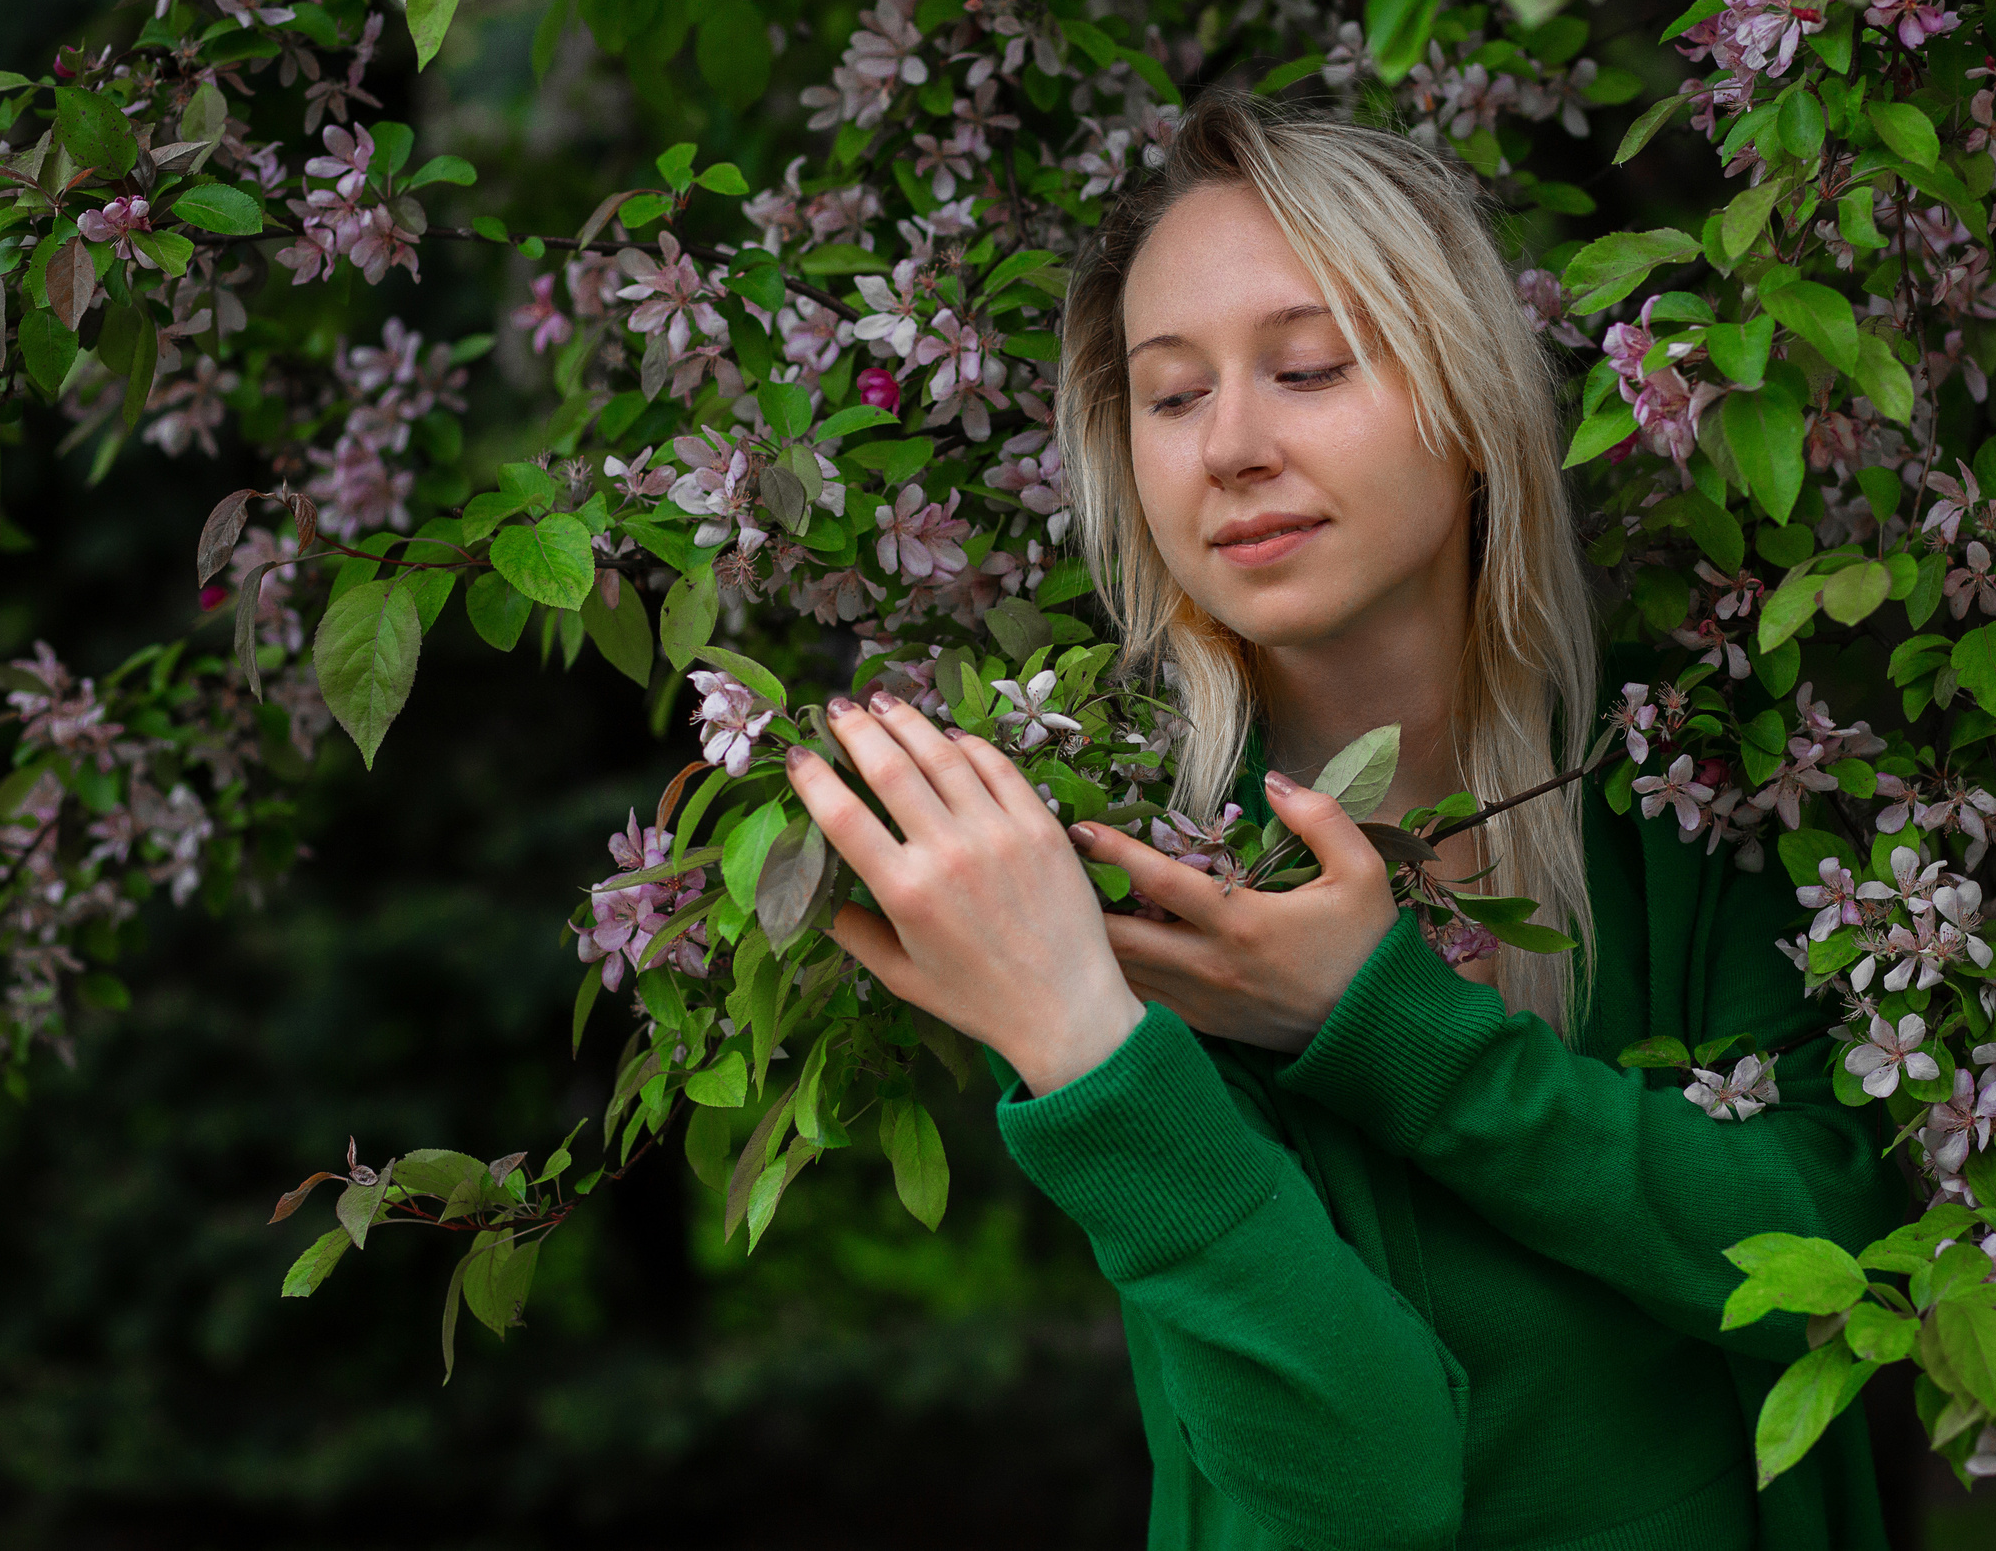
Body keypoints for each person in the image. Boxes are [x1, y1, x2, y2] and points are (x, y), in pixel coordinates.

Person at [784, 92, 1907, 1551]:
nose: (1228, 447)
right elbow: (1360, 1488)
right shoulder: (1141, 879)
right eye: (1172, 397)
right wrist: (1084, 1044)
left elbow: (1847, 1263)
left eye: (1308, 368)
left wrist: (1386, 1030)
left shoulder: (1699, 782)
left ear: (1473, 407)